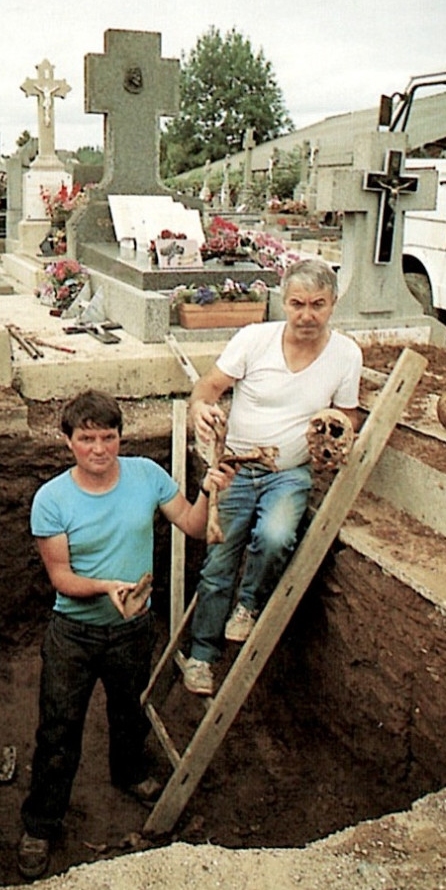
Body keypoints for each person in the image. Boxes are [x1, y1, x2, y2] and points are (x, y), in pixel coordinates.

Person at [18, 389, 233, 880]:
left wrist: (211, 488)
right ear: (68, 441)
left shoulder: (146, 476)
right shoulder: (51, 499)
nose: (99, 449)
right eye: (87, 439)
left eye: (108, 437)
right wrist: (107, 588)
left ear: (120, 437)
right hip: (74, 634)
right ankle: (41, 822)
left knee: (129, 712)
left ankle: (130, 774)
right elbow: (61, 579)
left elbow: (196, 527)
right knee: (58, 730)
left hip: (133, 630)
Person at [183, 257, 363, 697]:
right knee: (218, 565)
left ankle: (247, 606)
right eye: (297, 303)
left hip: (288, 473)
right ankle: (201, 656)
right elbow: (207, 389)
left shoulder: (345, 355)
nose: (306, 315)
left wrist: (336, 431)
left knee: (277, 535)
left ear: (333, 305)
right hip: (237, 470)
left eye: (317, 305)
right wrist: (201, 410)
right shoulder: (253, 340)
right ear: (282, 302)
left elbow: (349, 415)